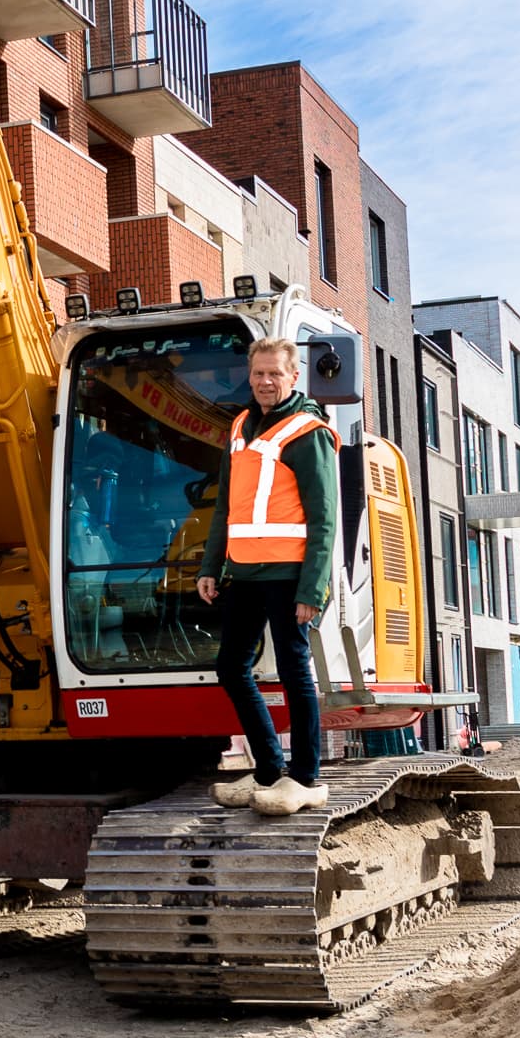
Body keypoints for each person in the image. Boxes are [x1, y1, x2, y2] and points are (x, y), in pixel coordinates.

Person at [195, 336, 340, 816]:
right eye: (258, 373)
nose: (265, 381)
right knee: (231, 667)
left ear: (294, 376)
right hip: (244, 572)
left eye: (275, 373)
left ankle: (305, 778)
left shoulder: (306, 431)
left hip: (289, 575)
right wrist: (211, 566)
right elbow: (226, 509)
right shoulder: (240, 426)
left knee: (296, 670)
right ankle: (267, 772)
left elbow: (324, 518)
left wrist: (312, 589)